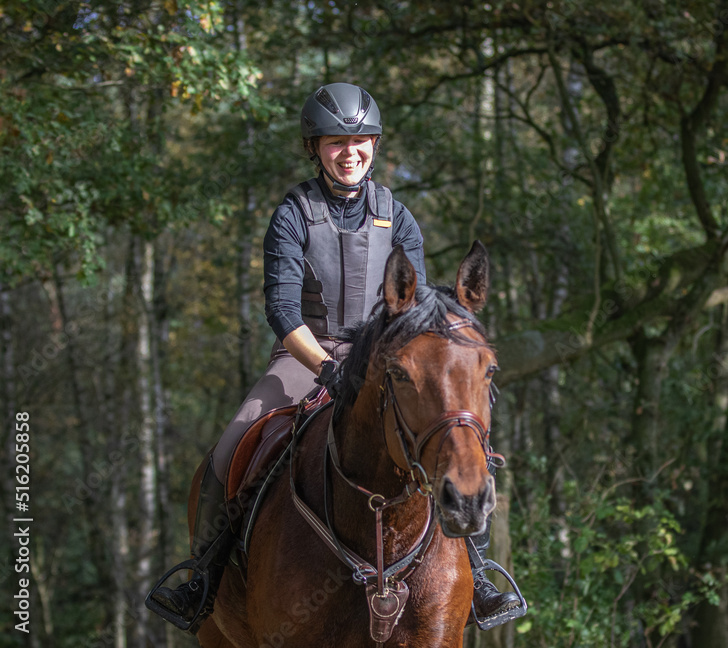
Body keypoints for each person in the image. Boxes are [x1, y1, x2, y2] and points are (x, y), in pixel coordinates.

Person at [146, 82, 524, 634]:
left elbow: (412, 307)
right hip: (307, 354)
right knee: (232, 446)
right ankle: (201, 576)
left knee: (462, 449)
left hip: (386, 358)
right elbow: (281, 307)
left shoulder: (398, 214)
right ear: (315, 148)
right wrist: (326, 368)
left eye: (361, 141)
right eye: (335, 142)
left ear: (374, 144)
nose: (350, 152)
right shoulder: (294, 212)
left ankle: (482, 574)